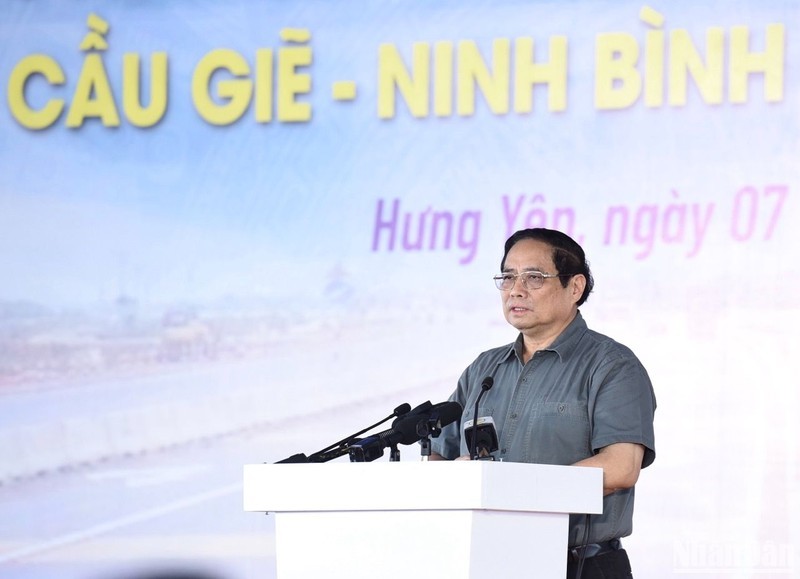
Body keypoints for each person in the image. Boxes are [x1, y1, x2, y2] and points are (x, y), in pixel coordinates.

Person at [429, 227, 656, 579]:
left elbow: (622, 466)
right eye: (507, 277)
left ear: (575, 287)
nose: (516, 289)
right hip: (487, 562)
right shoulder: (483, 369)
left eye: (533, 277)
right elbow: (439, 453)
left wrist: (508, 486)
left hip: (581, 566)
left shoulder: (612, 365)